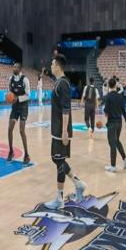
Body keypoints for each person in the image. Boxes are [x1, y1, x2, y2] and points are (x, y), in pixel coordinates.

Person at [43, 55, 86, 209]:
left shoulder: (63, 84)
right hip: (57, 129)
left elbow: (66, 109)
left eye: (52, 63)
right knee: (56, 159)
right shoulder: (59, 82)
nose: (51, 66)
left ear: (58, 66)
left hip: (61, 130)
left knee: (59, 161)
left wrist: (64, 131)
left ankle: (59, 199)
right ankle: (78, 184)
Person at [104, 78, 126, 172]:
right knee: (117, 141)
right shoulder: (120, 96)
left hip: (112, 123)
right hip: (120, 123)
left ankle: (113, 166)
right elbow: (123, 110)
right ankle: (125, 159)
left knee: (112, 144)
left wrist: (106, 121)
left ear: (108, 86)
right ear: (115, 85)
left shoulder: (108, 97)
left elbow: (106, 112)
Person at [7, 63, 31, 164]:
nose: (14, 68)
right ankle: (11, 151)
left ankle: (27, 155)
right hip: (15, 107)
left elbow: (28, 95)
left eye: (16, 67)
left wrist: (18, 98)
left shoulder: (25, 80)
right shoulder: (11, 79)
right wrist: (9, 97)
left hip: (23, 107)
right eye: (13, 67)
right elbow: (10, 93)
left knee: (21, 130)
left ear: (20, 69)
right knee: (10, 128)